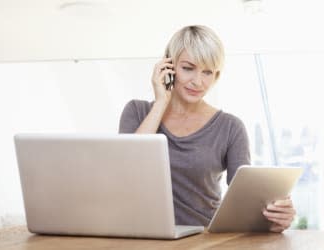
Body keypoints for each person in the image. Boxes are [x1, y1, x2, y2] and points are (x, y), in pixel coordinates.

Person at [119, 25, 295, 232]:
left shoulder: (230, 127)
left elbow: (246, 200)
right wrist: (160, 103)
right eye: (188, 68)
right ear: (168, 65)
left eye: (207, 72)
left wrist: (276, 217)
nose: (198, 81)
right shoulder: (137, 112)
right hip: (141, 236)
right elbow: (127, 172)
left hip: (204, 239)